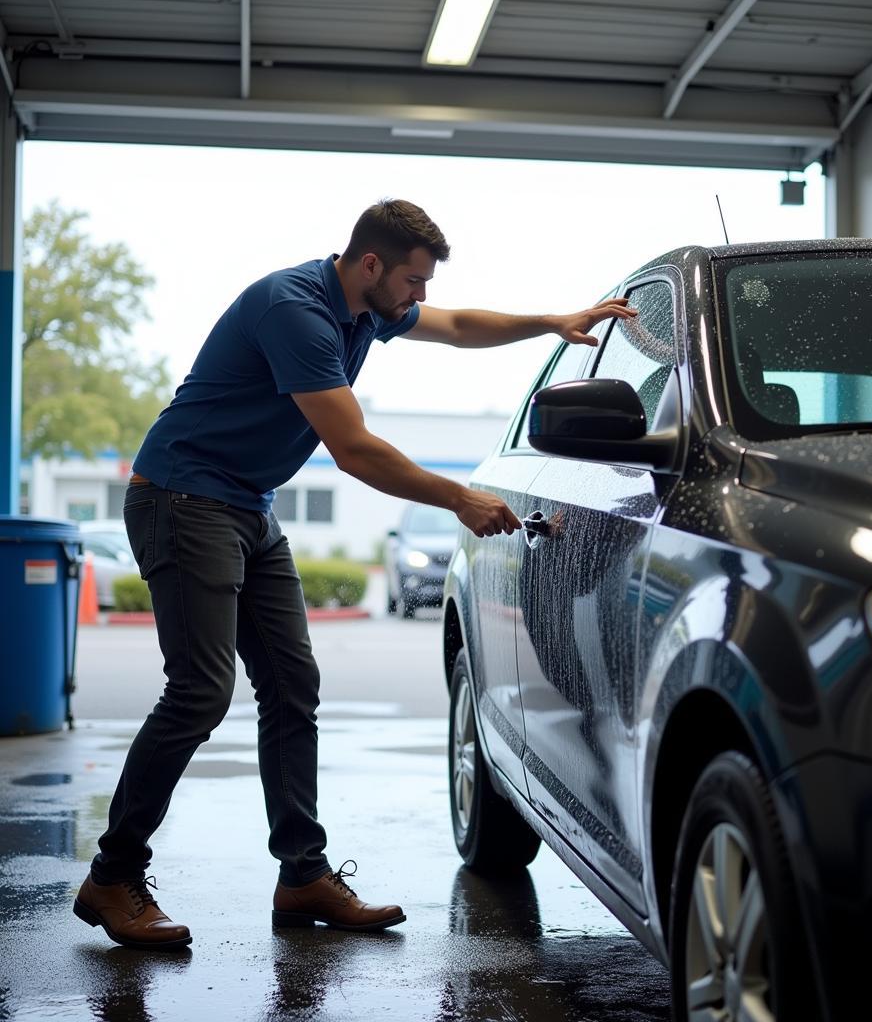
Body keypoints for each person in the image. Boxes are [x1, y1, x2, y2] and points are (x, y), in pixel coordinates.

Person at [72, 198, 635, 949]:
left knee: (292, 686)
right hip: (184, 497)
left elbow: (459, 326)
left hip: (244, 505)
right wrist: (458, 497)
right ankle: (112, 877)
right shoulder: (296, 310)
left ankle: (303, 874)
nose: (419, 297)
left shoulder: (366, 311)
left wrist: (552, 321)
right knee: (201, 690)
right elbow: (354, 450)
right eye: (413, 280)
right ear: (370, 264)